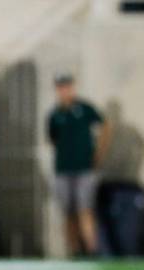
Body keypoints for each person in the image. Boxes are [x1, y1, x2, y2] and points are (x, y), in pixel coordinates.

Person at [47, 74, 111, 257]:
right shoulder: (55, 114)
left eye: (67, 86)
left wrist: (99, 152)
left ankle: (92, 249)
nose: (64, 90)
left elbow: (105, 126)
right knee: (68, 212)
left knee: (85, 209)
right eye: (60, 87)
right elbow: (53, 139)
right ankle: (74, 250)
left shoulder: (85, 108)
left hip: (84, 168)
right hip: (63, 168)